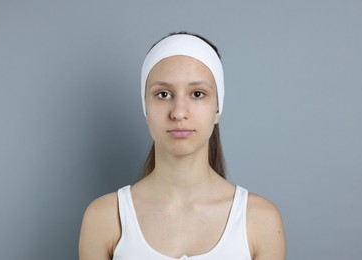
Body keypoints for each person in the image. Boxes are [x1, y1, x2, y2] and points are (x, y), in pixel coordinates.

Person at [79, 32, 286, 260]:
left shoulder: (260, 220)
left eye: (197, 94)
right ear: (145, 109)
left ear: (217, 109)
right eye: (163, 94)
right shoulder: (105, 218)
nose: (178, 112)